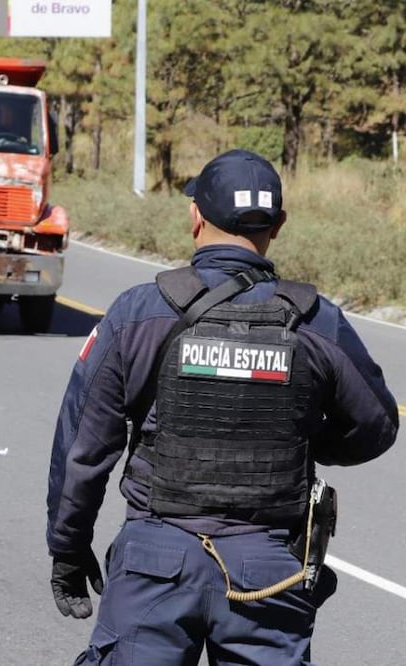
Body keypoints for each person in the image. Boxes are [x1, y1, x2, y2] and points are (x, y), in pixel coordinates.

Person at [46, 148, 398, 664]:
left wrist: (68, 549)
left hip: (155, 565)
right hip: (267, 571)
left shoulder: (139, 313)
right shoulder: (317, 321)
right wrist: (299, 442)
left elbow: (84, 448)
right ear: (277, 226)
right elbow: (378, 424)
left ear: (196, 217)